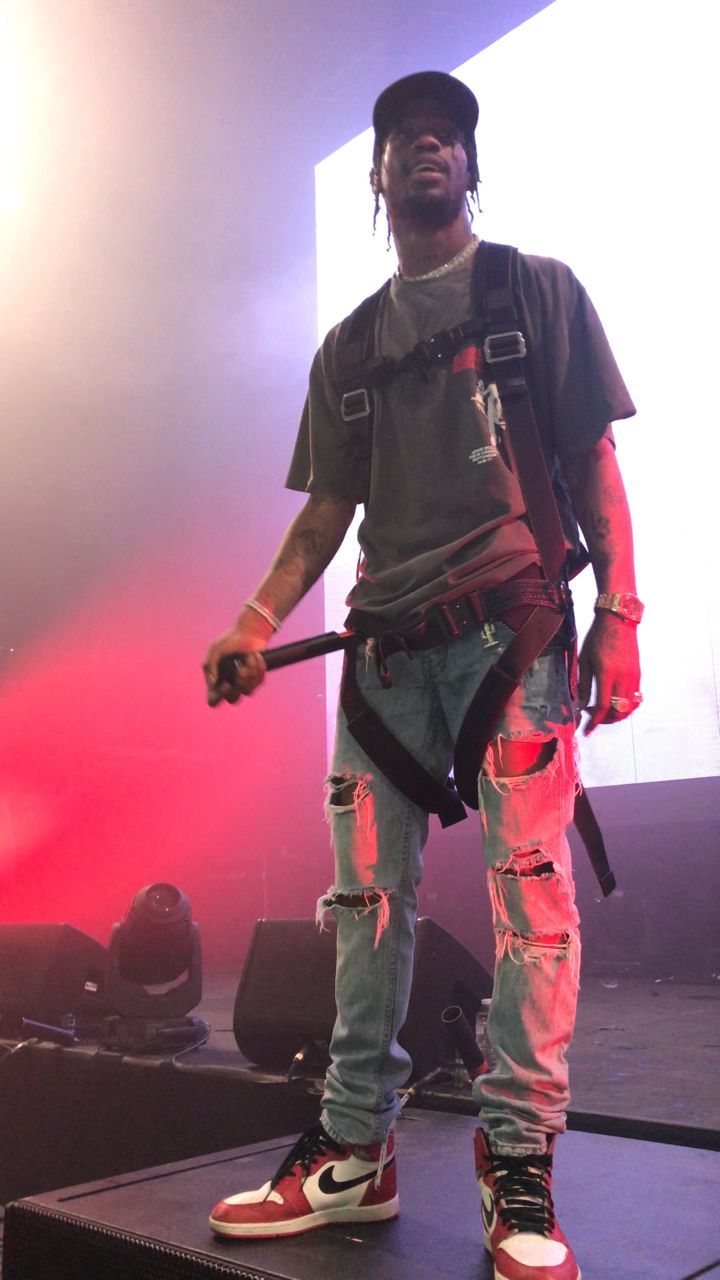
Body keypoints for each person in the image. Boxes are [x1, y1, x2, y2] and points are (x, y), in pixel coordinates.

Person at [203, 70, 642, 1280]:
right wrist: (252, 618)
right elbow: (324, 517)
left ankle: (518, 1164)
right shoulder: (347, 348)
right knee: (362, 909)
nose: (425, 146)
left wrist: (624, 616)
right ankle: (356, 1151)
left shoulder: (536, 293)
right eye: (404, 136)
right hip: (383, 658)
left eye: (446, 133)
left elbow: (595, 462)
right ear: (378, 173)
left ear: (470, 165)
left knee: (531, 901)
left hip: (513, 642)